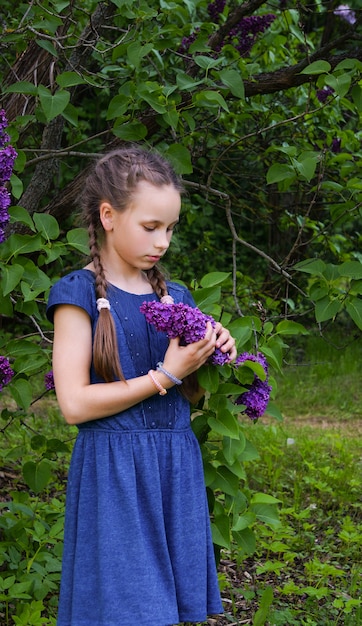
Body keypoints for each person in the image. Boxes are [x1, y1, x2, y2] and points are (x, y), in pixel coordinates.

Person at [46, 146, 237, 626]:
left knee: (167, 612)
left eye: (170, 228)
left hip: (173, 467)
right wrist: (164, 375)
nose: (163, 241)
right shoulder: (78, 294)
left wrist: (214, 354)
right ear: (108, 216)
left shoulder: (176, 297)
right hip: (115, 475)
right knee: (129, 610)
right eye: (150, 227)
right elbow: (73, 403)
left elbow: (192, 393)